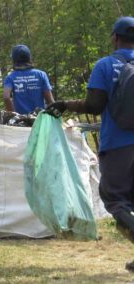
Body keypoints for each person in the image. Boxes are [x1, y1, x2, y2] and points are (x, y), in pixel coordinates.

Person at [46, 17, 134, 245]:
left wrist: (65, 104)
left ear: (115, 38)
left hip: (118, 145)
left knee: (114, 197)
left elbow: (94, 106)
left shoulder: (105, 65)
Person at [3, 44, 55, 114]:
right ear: (29, 58)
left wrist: (13, 116)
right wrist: (57, 115)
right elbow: (50, 101)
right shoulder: (41, 74)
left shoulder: (10, 77)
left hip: (21, 121)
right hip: (39, 120)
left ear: (14, 60)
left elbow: (6, 97)